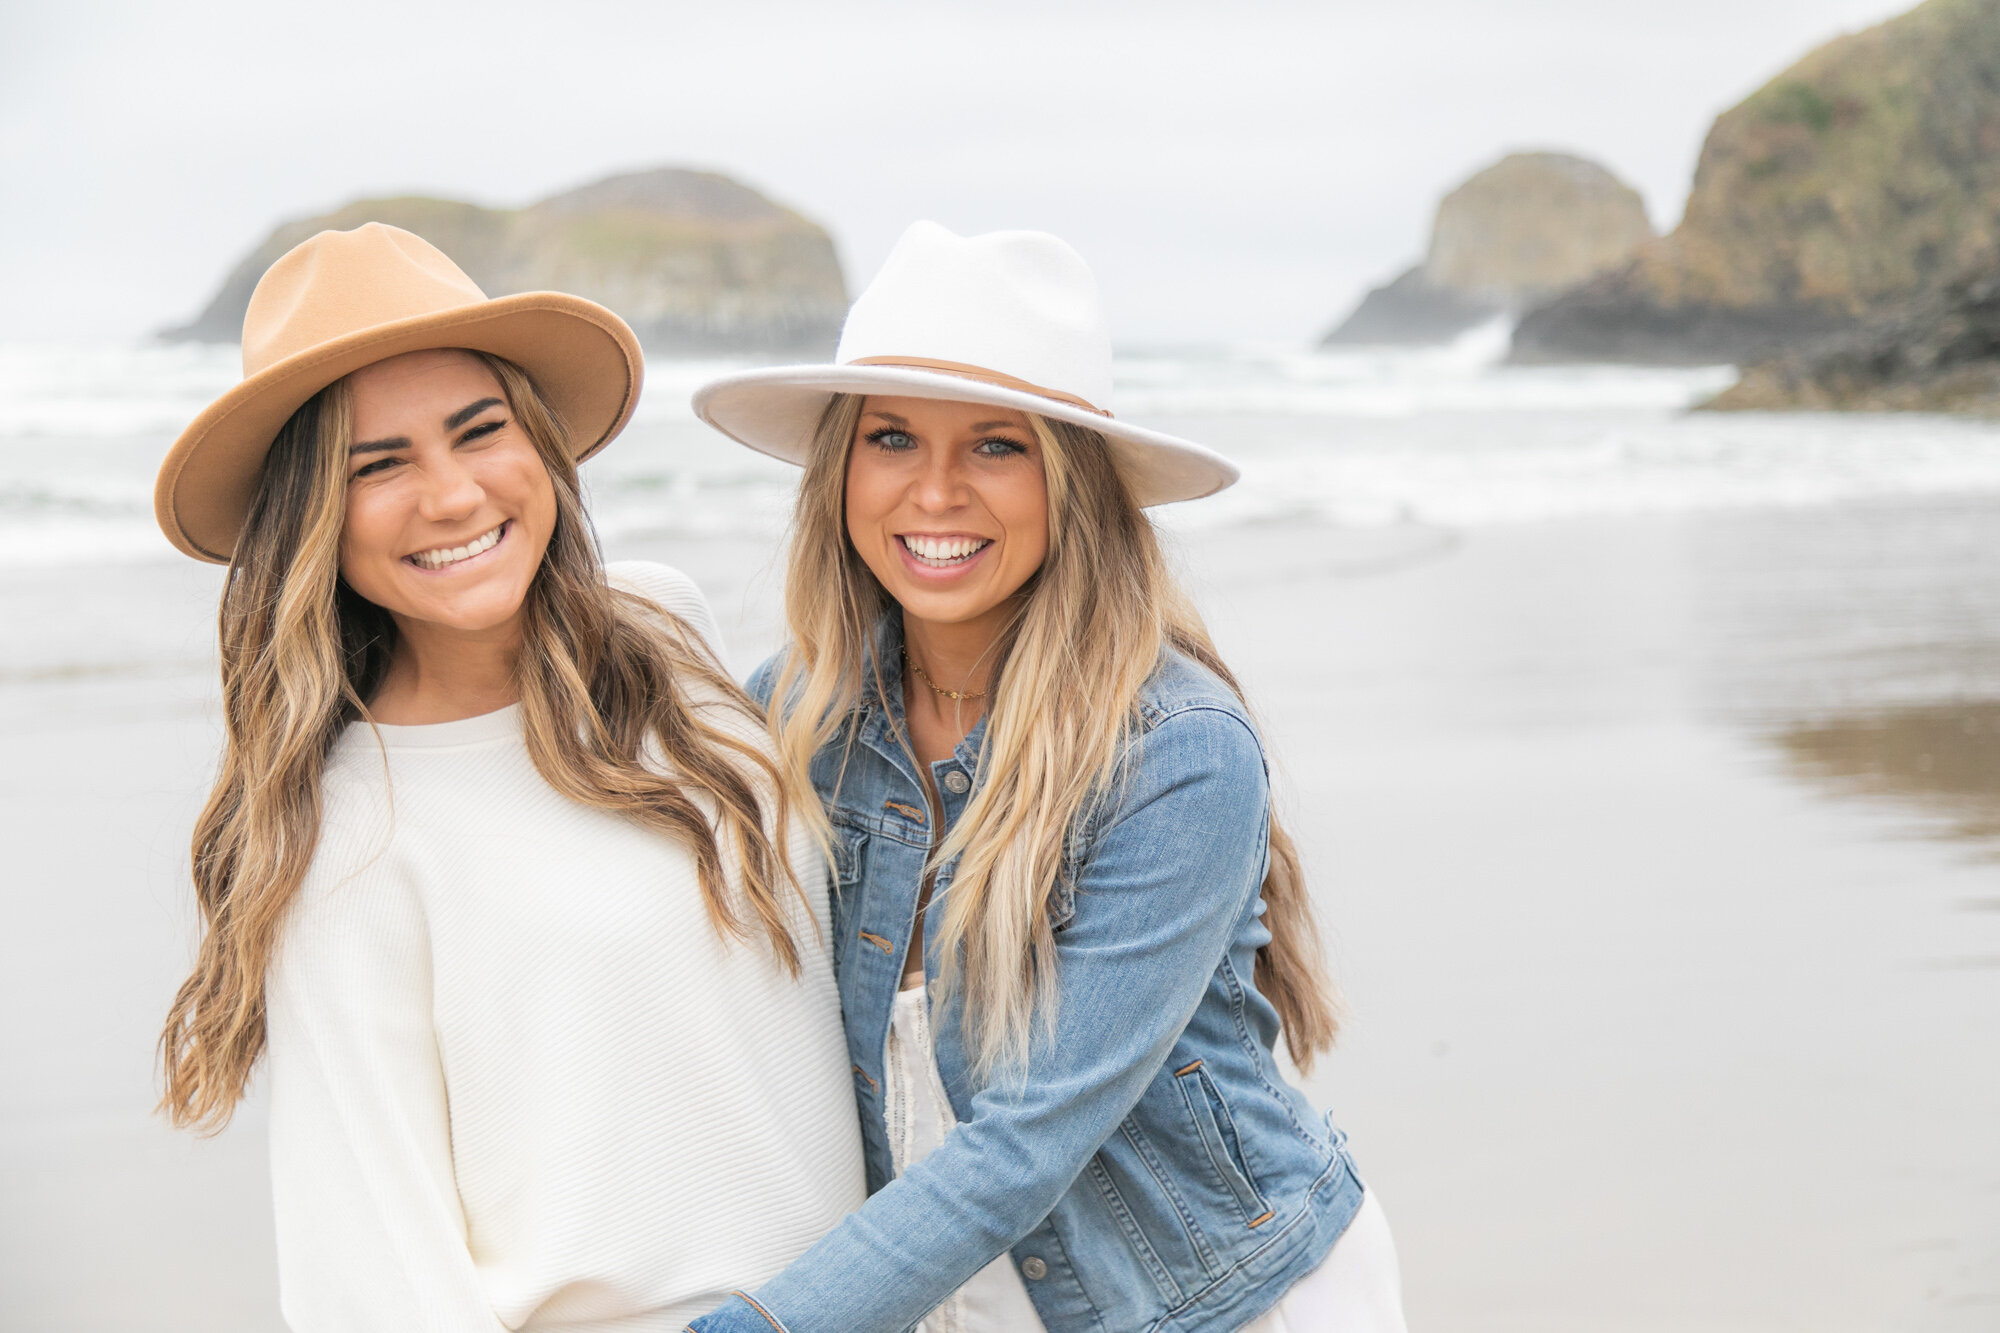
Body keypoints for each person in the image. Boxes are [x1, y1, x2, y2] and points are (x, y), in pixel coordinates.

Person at [688, 222, 1407, 1332]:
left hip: (1218, 1301)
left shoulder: (1173, 751)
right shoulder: (800, 714)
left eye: (994, 446)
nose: (932, 493)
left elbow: (1023, 1142)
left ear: (1070, 484)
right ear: (839, 470)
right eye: (890, 439)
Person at [153, 223, 864, 1331]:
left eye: (477, 432)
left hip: (883, 1296)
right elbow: (373, 1273)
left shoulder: (665, 627)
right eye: (376, 466)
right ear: (312, 525)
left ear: (539, 445)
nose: (449, 496)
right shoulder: (349, 837)